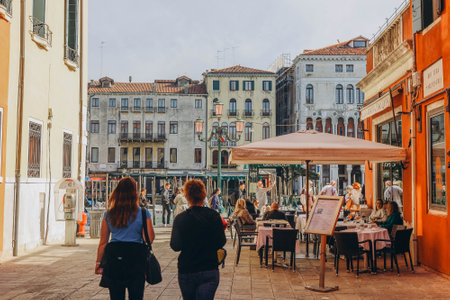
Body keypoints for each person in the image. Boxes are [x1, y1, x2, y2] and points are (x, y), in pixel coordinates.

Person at [95, 177, 155, 300]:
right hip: (136, 260)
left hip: (115, 260)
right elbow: (149, 238)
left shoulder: (109, 214)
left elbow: (103, 242)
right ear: (135, 193)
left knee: (116, 296)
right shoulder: (143, 213)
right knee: (136, 296)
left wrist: (98, 263)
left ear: (117, 193)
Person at [170, 179, 226, 300]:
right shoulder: (214, 216)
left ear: (187, 196)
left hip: (187, 268)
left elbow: (175, 245)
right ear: (204, 195)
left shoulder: (180, 219)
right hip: (209, 267)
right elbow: (221, 241)